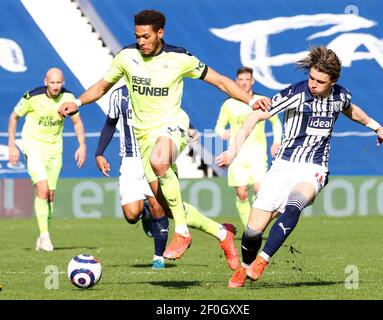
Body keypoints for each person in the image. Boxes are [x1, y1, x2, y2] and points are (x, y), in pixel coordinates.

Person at [57, 10, 266, 269]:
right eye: (137, 36)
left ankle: (182, 233)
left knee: (159, 161)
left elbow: (222, 82)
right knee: (168, 206)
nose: (141, 41)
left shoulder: (180, 58)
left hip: (173, 126)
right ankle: (223, 233)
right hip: (144, 139)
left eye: (146, 36)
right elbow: (101, 87)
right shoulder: (127, 57)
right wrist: (76, 102)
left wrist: (252, 99)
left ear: (160, 33)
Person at [216, 46, 383, 288]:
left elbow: (352, 111)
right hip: (283, 166)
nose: (313, 84)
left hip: (314, 167)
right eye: (311, 77)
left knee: (294, 205)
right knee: (252, 232)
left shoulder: (340, 96)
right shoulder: (296, 93)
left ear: (333, 81)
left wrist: (376, 126)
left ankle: (262, 261)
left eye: (320, 81)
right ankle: (245, 267)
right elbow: (255, 117)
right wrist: (232, 151)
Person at [8, 67, 86, 252]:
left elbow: (77, 123)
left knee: (50, 195)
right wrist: (12, 144)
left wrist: (82, 145)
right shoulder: (32, 97)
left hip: (54, 150)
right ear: (45, 82)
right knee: (42, 189)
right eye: (52, 82)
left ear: (63, 82)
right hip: (33, 147)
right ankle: (45, 236)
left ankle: (42, 234)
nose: (56, 86)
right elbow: (14, 117)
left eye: (59, 82)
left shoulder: (69, 98)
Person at [95, 84, 169, 269]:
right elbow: (110, 123)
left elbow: (173, 113)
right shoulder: (118, 95)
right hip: (130, 160)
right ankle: (144, 214)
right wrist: (99, 152)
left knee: (158, 206)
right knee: (131, 215)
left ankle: (159, 257)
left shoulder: (157, 86)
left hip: (155, 156)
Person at [215, 66, 283, 226]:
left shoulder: (262, 101)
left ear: (252, 81)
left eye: (247, 80)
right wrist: (222, 133)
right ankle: (249, 229)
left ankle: (256, 225)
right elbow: (218, 126)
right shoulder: (229, 104)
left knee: (260, 192)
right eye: (241, 80)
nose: (244, 83)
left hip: (257, 154)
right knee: (242, 193)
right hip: (237, 155)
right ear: (236, 82)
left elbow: (276, 122)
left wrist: (277, 141)